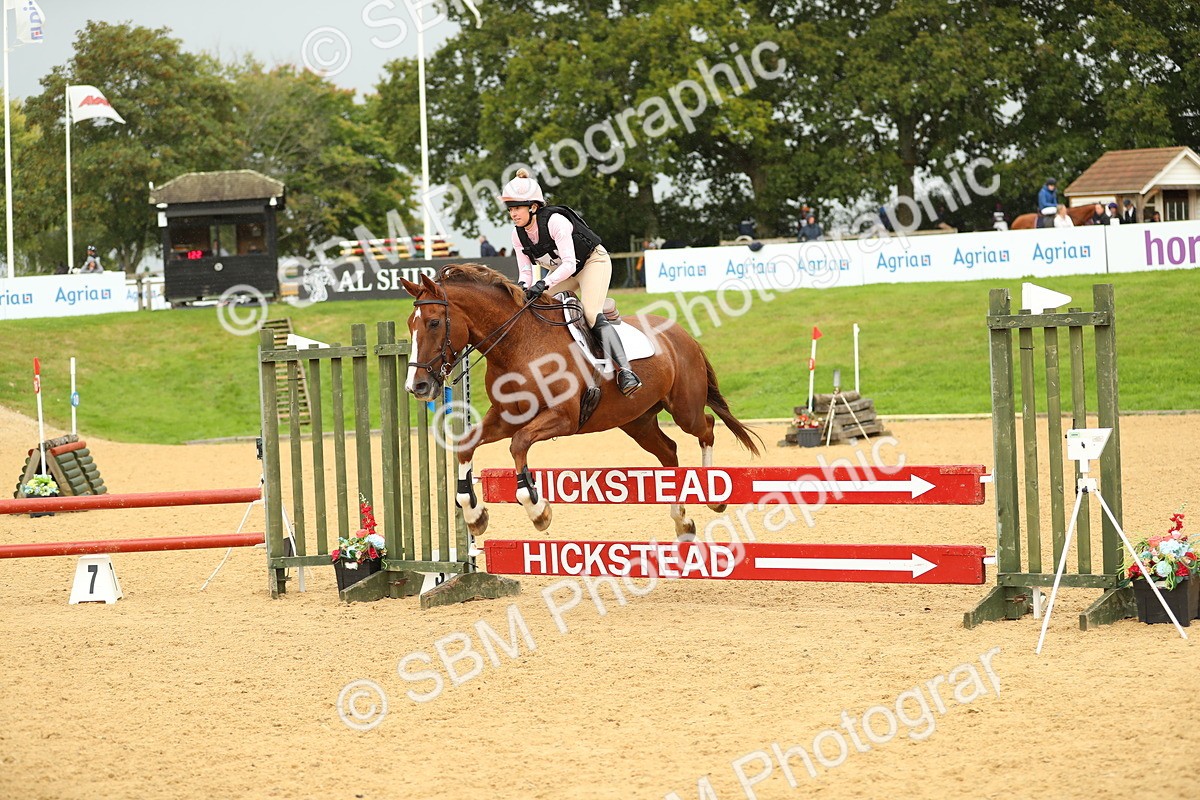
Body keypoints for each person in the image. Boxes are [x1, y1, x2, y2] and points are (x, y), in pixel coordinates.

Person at [500, 168, 641, 396]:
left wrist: (544, 284)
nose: (513, 214)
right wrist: (523, 290)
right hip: (563, 272)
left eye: (517, 208)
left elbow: (570, 264)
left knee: (591, 313)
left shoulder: (555, 221)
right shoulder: (518, 234)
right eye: (510, 209)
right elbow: (525, 272)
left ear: (533, 207)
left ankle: (626, 371)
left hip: (591, 263)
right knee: (532, 307)